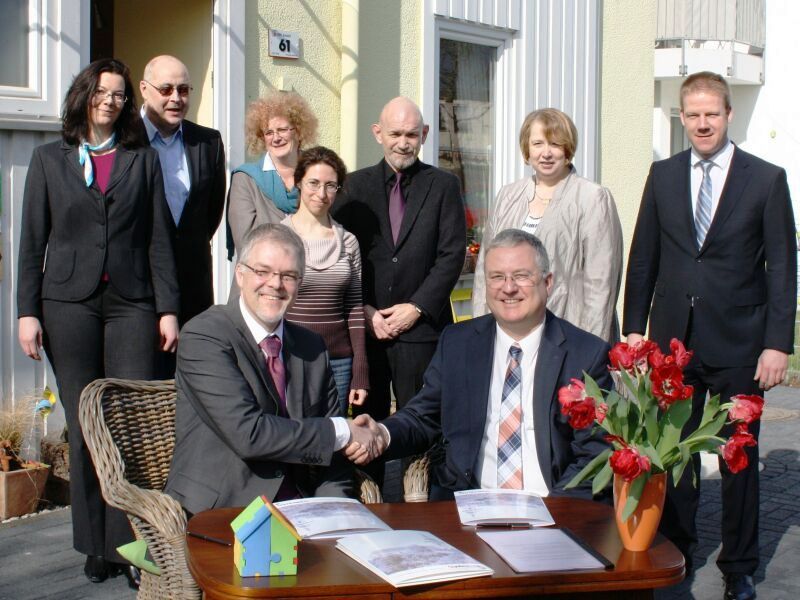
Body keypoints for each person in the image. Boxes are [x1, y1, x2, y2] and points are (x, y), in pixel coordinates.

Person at [623, 71, 796, 600]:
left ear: (728, 115)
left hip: (741, 345)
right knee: (672, 455)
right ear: (681, 116)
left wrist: (777, 344)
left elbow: (782, 270)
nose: (702, 123)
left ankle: (738, 568)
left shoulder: (765, 179)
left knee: (737, 461)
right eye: (693, 114)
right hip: (673, 344)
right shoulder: (664, 174)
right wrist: (633, 331)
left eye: (712, 114)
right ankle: (676, 550)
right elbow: (644, 256)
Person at [16, 58, 179, 588]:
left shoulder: (141, 159)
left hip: (132, 303)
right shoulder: (48, 160)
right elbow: (31, 243)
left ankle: (133, 546)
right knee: (87, 423)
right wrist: (27, 313)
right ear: (84, 96)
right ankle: (96, 544)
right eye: (102, 92)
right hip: (67, 305)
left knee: (126, 422)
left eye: (119, 94)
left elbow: (159, 240)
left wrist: (168, 308)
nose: (111, 101)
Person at [347, 229, 612, 500]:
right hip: (469, 507)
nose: (508, 287)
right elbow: (423, 414)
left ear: (548, 282)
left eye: (521, 276)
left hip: (551, 507)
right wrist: (382, 432)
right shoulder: (458, 343)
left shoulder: (586, 355)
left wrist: (551, 513)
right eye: (497, 277)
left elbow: (595, 454)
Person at [166, 224, 377, 514]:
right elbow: (249, 434)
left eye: (288, 275)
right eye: (262, 271)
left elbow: (334, 458)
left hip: (301, 510)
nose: (275, 284)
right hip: (220, 513)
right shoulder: (205, 335)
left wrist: (332, 509)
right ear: (240, 274)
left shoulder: (311, 347)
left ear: (299, 284)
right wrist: (343, 430)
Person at [333, 96, 466, 426]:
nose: (403, 144)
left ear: (424, 133)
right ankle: (369, 481)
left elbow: (452, 255)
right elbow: (340, 256)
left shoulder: (444, 185)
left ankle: (416, 481)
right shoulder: (352, 187)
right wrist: (363, 308)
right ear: (378, 133)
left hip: (422, 331)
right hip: (367, 330)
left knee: (421, 426)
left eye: (411, 135)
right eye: (395, 134)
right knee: (366, 424)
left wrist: (416, 307)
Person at [472, 108, 623, 344]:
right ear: (527, 149)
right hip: (508, 332)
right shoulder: (508, 196)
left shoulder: (593, 198)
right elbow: (485, 268)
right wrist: (480, 331)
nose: (546, 153)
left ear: (568, 148)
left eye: (554, 143)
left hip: (567, 330)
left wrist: (590, 348)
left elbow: (600, 282)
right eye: (538, 143)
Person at [140, 55, 226, 377]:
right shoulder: (125, 142)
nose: (176, 98)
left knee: (194, 381)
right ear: (144, 89)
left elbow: (210, 215)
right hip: (139, 290)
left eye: (184, 89)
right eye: (166, 89)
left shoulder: (208, 142)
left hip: (194, 288)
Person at [281, 146, 368, 414]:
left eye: (331, 186)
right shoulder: (278, 238)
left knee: (334, 440)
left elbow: (354, 308)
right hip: (290, 356)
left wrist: (360, 370)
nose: (322, 194)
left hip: (338, 362)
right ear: (298, 183)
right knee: (289, 436)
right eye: (314, 183)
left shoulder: (349, 242)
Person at [227, 92, 318, 260]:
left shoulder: (317, 175)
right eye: (268, 132)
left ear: (298, 131)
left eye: (282, 130)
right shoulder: (246, 179)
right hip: (259, 279)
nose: (276, 138)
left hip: (311, 280)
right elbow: (246, 244)